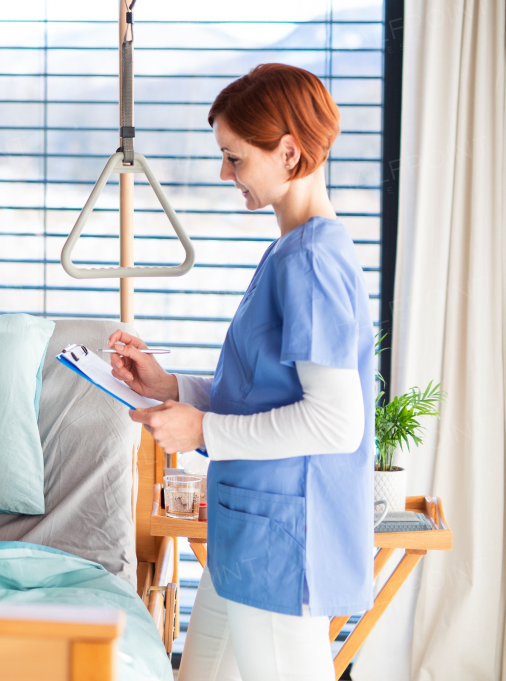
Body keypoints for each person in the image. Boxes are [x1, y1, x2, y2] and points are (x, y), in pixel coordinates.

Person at [108, 64, 374, 681]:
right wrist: (172, 388)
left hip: (280, 542)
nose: (224, 174)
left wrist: (201, 430)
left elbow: (337, 424)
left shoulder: (310, 260)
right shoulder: (289, 252)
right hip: (250, 534)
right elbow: (263, 392)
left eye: (234, 157)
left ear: (288, 152)